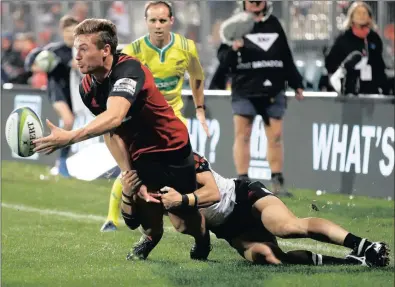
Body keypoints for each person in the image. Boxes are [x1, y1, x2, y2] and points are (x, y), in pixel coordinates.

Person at [33, 18, 211, 261]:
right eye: (76, 49)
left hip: (172, 148)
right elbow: (110, 131)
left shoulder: (129, 70)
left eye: (84, 49)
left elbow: (115, 117)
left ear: (106, 50)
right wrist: (128, 172)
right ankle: (151, 237)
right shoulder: (87, 87)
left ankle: (203, 239)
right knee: (140, 213)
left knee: (182, 222)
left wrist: (70, 137)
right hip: (140, 153)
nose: (77, 56)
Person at [121, 152, 390, 267]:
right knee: (269, 258)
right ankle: (350, 262)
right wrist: (127, 193)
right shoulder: (141, 182)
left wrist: (181, 200)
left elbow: (212, 193)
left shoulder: (182, 158)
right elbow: (138, 223)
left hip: (242, 196)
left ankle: (366, 246)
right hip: (228, 228)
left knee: (286, 227)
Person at [101, 0, 209, 232]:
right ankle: (112, 217)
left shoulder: (187, 47)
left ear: (171, 21)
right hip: (142, 121)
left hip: (173, 120)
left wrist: (200, 108)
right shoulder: (133, 51)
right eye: (153, 20)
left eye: (162, 20)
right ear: (146, 22)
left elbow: (197, 77)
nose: (158, 25)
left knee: (186, 170)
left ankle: (190, 217)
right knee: (131, 170)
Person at [217, 0, 304, 197]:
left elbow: (286, 57)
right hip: (244, 90)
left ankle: (277, 183)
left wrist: (296, 82)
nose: (255, 3)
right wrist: (233, 49)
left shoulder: (274, 24)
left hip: (273, 90)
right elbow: (223, 60)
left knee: (275, 137)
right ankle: (242, 183)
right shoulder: (235, 25)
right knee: (243, 135)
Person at [25, 15, 80, 177]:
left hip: (75, 94)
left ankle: (62, 159)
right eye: (68, 31)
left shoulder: (81, 50)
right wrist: (34, 66)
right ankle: (60, 161)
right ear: (62, 32)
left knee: (71, 127)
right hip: (57, 91)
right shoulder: (54, 50)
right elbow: (32, 58)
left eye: (74, 31)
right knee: (68, 121)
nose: (71, 34)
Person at [326, 1, 389, 95]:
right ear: (351, 17)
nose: (361, 16)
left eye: (364, 13)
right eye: (358, 13)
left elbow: (379, 64)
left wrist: (384, 87)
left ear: (369, 17)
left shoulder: (374, 37)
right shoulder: (344, 37)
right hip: (349, 88)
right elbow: (330, 61)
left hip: (370, 87)